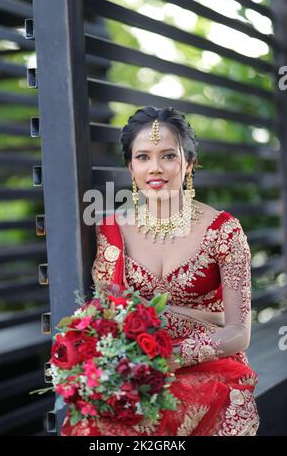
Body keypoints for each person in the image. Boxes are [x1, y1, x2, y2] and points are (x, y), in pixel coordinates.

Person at [61, 106, 260, 436]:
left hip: (210, 368)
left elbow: (239, 331)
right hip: (137, 371)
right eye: (142, 157)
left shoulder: (223, 231)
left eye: (168, 155)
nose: (155, 168)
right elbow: (110, 315)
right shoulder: (112, 229)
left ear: (189, 164)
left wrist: (170, 357)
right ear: (130, 166)